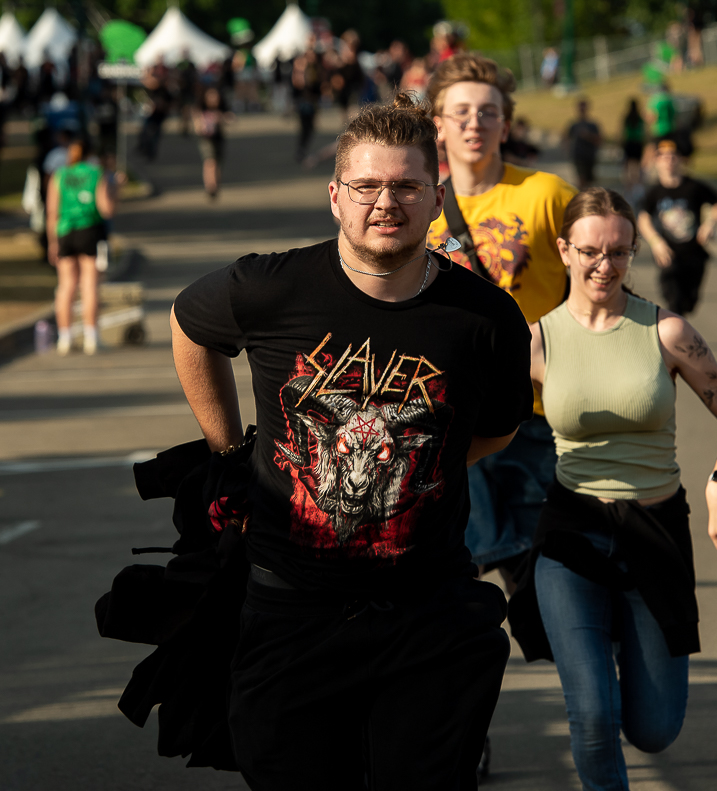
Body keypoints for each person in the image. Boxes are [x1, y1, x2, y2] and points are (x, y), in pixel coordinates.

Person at [169, 92, 534, 790]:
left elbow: (497, 427)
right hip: (291, 610)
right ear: (335, 196)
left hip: (426, 612)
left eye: (406, 186)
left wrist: (418, 469)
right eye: (366, 186)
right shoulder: (271, 287)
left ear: (436, 198)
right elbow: (190, 327)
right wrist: (227, 450)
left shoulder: (486, 317)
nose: (385, 202)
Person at [510, 187, 717, 791]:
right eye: (590, 251)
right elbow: (484, 426)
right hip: (572, 534)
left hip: (655, 532)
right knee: (594, 717)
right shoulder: (536, 343)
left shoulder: (666, 332)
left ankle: (621, 641)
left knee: (653, 729)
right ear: (563, 250)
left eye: (619, 252)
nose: (605, 265)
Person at [425, 53, 578, 778]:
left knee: (541, 583)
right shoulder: (416, 205)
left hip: (533, 420)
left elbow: (600, 283)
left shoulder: (545, 194)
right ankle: (463, 732)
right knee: (444, 593)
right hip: (440, 426)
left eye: (488, 111)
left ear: (506, 122)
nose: (474, 123)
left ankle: (591, 713)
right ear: (437, 124)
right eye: (460, 111)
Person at [46, 139, 118, 356]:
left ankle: (65, 338)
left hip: (65, 231)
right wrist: (116, 189)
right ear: (90, 154)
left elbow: (52, 211)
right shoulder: (97, 173)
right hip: (90, 230)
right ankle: (91, 337)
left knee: (66, 285)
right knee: (90, 284)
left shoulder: (59, 175)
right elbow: (106, 209)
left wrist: (52, 242)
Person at [638, 137, 717, 317]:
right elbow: (643, 219)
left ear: (681, 160)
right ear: (657, 161)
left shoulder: (694, 187)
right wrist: (655, 242)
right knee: (673, 302)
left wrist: (710, 224)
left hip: (694, 253)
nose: (668, 161)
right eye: (663, 157)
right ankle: (676, 331)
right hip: (668, 255)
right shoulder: (654, 192)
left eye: (673, 156)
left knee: (688, 304)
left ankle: (680, 321)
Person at [195, 87, 230, 199]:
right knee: (210, 162)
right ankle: (211, 186)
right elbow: (197, 127)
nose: (213, 99)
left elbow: (231, 119)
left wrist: (222, 118)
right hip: (206, 139)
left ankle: (216, 185)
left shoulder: (221, 109)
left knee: (217, 163)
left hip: (218, 139)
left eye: (215, 96)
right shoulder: (200, 109)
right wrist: (203, 125)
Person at [292, 41, 323, 164]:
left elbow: (318, 87)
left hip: (312, 102)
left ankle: (303, 149)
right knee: (305, 127)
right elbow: (298, 85)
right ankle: (301, 150)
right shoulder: (301, 68)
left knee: (310, 127)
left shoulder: (317, 69)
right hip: (304, 102)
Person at [566, 99, 603, 190]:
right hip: (578, 155)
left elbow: (599, 140)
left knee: (589, 181)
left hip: (589, 155)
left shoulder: (592, 125)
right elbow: (567, 138)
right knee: (581, 179)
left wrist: (588, 136)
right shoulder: (574, 124)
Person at [621, 99, 645, 196]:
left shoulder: (627, 117)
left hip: (629, 143)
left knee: (628, 166)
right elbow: (643, 131)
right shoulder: (639, 118)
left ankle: (629, 186)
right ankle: (637, 185)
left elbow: (623, 131)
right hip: (637, 143)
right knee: (637, 166)